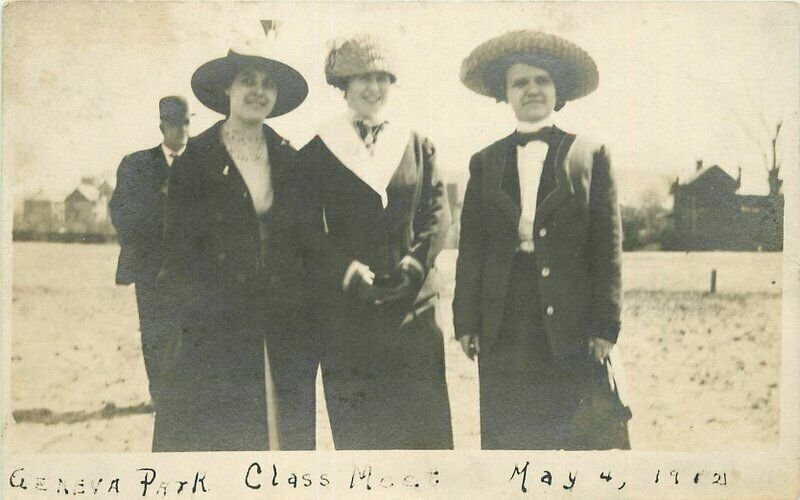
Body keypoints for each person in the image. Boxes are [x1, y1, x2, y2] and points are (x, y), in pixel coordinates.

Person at [453, 30, 631, 450]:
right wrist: (467, 321)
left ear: (558, 90)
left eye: (542, 80)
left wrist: (605, 325)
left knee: (575, 438)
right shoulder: (485, 161)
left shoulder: (589, 154)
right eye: (520, 82)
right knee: (511, 437)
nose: (531, 89)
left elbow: (608, 248)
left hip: (570, 319)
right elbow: (471, 248)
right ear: (505, 93)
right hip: (504, 320)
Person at [296, 34, 454, 449]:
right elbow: (305, 226)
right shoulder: (317, 150)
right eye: (362, 77)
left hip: (413, 305)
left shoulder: (418, 145)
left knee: (424, 429)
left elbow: (437, 213)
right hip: (349, 309)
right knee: (363, 433)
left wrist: (415, 265)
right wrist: (346, 271)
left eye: (382, 77)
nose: (373, 87)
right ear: (343, 85)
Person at [151, 48, 314, 451]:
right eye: (248, 81)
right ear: (227, 88)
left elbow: (304, 242)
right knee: (222, 434)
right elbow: (178, 251)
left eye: (268, 84)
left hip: (281, 322)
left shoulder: (290, 157)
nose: (258, 92)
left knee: (281, 436)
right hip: (217, 324)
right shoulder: (196, 160)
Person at [109, 96, 190, 399]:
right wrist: (147, 242)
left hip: (192, 269)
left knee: (189, 331)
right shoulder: (136, 165)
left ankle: (182, 393)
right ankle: (159, 392)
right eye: (174, 123)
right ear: (162, 125)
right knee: (155, 332)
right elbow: (120, 210)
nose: (181, 129)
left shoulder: (203, 161)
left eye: (186, 122)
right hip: (151, 268)